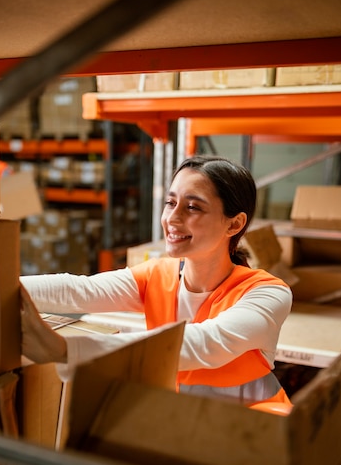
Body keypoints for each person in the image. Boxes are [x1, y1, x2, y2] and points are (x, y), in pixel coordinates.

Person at [20, 154, 293, 407]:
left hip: (259, 437)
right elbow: (78, 290)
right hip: (189, 428)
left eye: (193, 207)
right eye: (171, 203)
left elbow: (205, 344)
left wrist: (64, 349)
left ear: (234, 224)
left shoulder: (267, 293)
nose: (172, 218)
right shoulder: (158, 276)